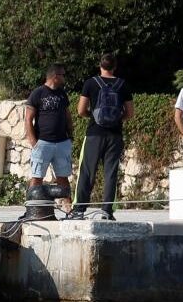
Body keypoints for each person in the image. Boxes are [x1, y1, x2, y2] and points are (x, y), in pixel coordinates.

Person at [73, 54, 134, 219]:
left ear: (100, 66)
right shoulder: (123, 85)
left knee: (87, 171)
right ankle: (107, 211)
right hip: (115, 135)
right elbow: (130, 113)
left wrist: (93, 116)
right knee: (111, 173)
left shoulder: (90, 83)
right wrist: (116, 119)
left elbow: (80, 110)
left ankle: (79, 210)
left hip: (94, 133)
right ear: (115, 67)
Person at [25, 64, 73, 205]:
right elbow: (28, 119)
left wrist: (70, 136)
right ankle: (31, 208)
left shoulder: (62, 94)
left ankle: (69, 209)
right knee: (37, 178)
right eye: (62, 75)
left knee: (63, 178)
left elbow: (68, 116)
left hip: (62, 142)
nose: (64, 77)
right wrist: (34, 142)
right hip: (43, 142)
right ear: (55, 76)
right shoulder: (38, 93)